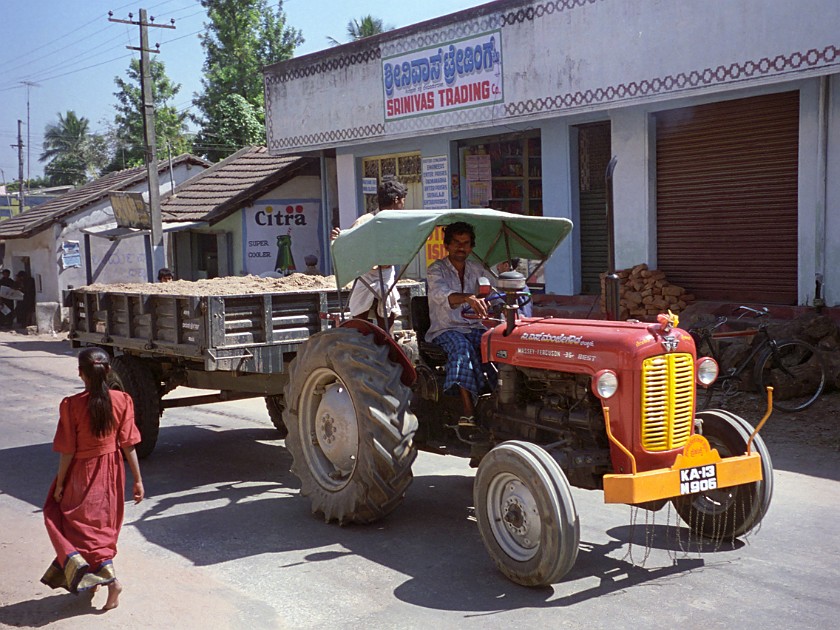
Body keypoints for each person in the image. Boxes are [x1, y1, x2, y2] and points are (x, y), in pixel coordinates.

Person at [41, 347, 144, 611]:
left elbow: (68, 450)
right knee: (100, 529)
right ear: (108, 371)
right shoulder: (123, 400)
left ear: (80, 374)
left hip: (82, 473)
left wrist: (61, 483)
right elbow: (128, 444)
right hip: (111, 473)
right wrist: (137, 480)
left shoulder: (71, 405)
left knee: (74, 524)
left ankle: (111, 581)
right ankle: (95, 579)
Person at [425, 222, 493, 428]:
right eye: (456, 243)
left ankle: (495, 399)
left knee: (493, 344)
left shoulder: (478, 269)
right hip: (444, 329)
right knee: (461, 347)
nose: (461, 248)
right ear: (447, 245)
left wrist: (495, 300)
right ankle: (467, 412)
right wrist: (469, 299)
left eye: (465, 243)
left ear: (471, 247)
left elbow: (493, 293)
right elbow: (442, 295)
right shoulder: (436, 269)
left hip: (473, 327)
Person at [331, 176, 408, 329]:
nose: (403, 204)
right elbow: (348, 244)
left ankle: (385, 339)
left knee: (388, 312)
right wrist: (337, 238)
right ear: (397, 200)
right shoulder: (365, 221)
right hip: (366, 276)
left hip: (386, 276)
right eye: (403, 200)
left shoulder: (400, 222)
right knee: (360, 317)